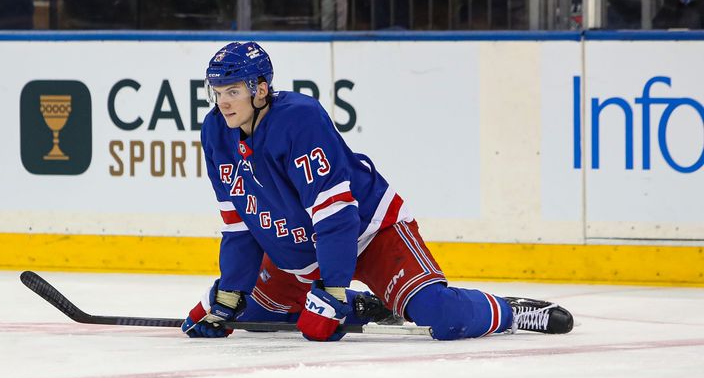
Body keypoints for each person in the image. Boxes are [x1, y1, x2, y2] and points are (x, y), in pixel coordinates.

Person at [181, 41, 574, 341]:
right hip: (301, 252)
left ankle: (510, 311)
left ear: (261, 89)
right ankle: (366, 306)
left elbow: (335, 212)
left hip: (368, 231)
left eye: (232, 91)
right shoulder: (215, 132)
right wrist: (229, 294)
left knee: (438, 314)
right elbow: (239, 225)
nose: (223, 102)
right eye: (217, 91)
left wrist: (332, 291)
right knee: (253, 316)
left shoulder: (299, 120)